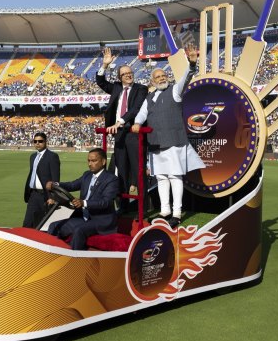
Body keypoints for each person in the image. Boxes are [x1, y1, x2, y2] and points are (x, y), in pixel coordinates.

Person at [132, 44, 205, 227]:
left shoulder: (174, 90)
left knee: (174, 177)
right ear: (153, 80)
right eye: (158, 77)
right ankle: (165, 211)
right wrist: (137, 123)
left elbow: (185, 79)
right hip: (155, 143)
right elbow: (142, 113)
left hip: (174, 142)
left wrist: (192, 64)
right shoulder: (149, 98)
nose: (162, 78)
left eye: (164, 75)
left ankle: (177, 213)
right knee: (161, 177)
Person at [96, 48, 148, 197]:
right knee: (122, 169)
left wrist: (120, 121)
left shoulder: (141, 89)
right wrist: (105, 65)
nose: (128, 75)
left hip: (133, 133)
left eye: (129, 72)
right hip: (118, 134)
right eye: (124, 74)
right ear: (120, 77)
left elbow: (135, 109)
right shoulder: (116, 88)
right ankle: (124, 205)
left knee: (138, 169)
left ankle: (142, 207)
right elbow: (100, 81)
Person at [46, 148, 119, 250]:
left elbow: (106, 202)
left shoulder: (111, 179)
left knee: (79, 230)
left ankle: (74, 261)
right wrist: (56, 184)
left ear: (103, 162)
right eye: (88, 161)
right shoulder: (87, 175)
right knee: (53, 226)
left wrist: (84, 203)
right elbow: (72, 185)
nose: (90, 164)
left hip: (101, 221)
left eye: (94, 161)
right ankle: (51, 254)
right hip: (84, 218)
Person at [23, 132, 60, 228]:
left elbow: (55, 178)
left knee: (43, 225)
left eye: (40, 141)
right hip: (33, 195)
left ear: (45, 142)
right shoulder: (33, 156)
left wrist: (52, 196)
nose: (37, 143)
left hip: (46, 195)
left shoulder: (52, 156)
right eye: (35, 141)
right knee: (27, 223)